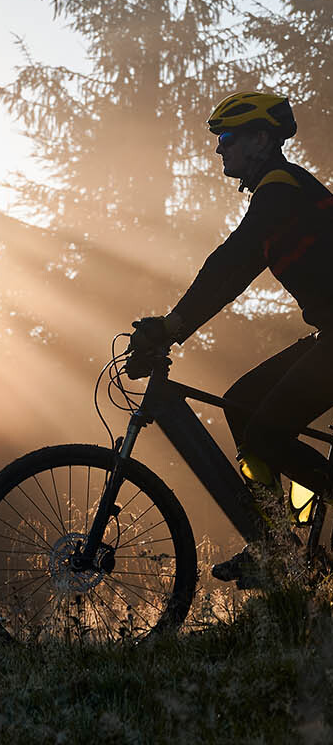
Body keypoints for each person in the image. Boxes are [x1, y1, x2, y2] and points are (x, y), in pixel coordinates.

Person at [130, 90, 333, 585]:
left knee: (264, 432)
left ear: (261, 140)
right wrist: (175, 327)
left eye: (227, 138)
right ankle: (278, 544)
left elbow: (232, 264)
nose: (220, 149)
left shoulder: (280, 190)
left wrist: (172, 326)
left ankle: (280, 549)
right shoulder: (279, 191)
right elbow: (234, 268)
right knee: (241, 404)